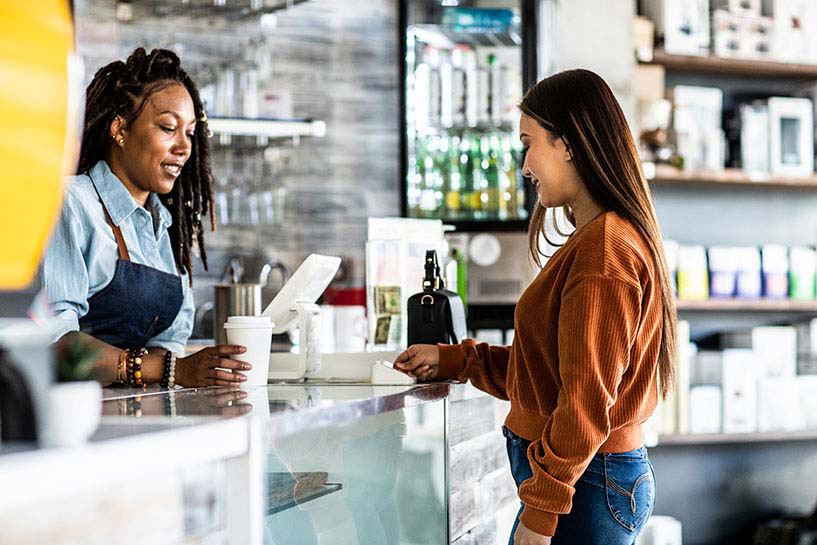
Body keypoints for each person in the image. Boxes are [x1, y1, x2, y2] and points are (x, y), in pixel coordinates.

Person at [395, 69, 676, 545]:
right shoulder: (595, 241)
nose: (525, 165)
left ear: (568, 144)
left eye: (529, 144)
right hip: (586, 483)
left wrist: (540, 515)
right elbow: (551, 371)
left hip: (585, 486)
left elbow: (585, 401)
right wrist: (458, 360)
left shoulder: (603, 250)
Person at [39, 47, 250, 389]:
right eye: (169, 127)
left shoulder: (164, 225)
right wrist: (169, 370)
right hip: (70, 419)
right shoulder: (70, 205)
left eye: (191, 133)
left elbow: (171, 337)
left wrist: (171, 368)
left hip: (135, 413)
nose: (184, 147)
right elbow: (56, 345)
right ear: (119, 129)